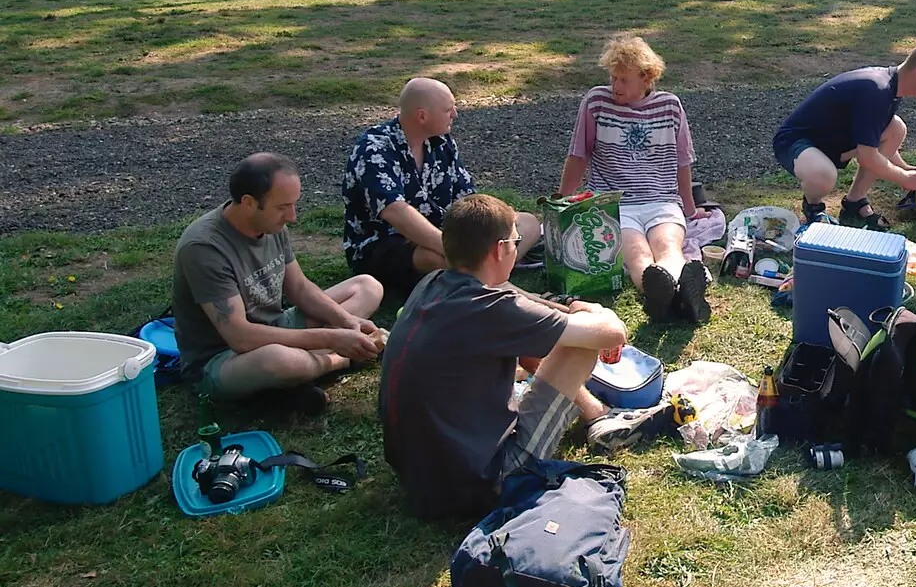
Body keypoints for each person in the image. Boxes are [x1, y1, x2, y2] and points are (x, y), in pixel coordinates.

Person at [379, 193, 671, 520]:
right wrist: (598, 310)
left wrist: (571, 307)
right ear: (500, 249)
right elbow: (611, 333)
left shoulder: (433, 283)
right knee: (578, 346)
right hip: (482, 485)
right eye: (517, 241)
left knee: (539, 338)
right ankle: (596, 420)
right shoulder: (492, 309)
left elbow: (520, 301)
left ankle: (597, 416)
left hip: (417, 478)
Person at [172, 153, 382, 411]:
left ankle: (299, 375)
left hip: (275, 326)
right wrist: (332, 337)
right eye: (282, 207)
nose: (292, 217)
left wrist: (347, 322)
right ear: (248, 202)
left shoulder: (271, 225)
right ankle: (338, 361)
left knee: (367, 286)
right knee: (280, 360)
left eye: (293, 205)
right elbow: (240, 337)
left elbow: (300, 288)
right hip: (224, 357)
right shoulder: (204, 248)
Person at [559, 35, 711, 323]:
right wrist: (561, 202)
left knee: (668, 246)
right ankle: (665, 295)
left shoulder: (670, 106)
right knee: (637, 252)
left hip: (661, 200)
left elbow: (682, 163)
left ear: (646, 77)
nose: (615, 87)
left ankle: (675, 294)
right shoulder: (596, 102)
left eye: (623, 80)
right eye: (612, 78)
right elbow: (578, 156)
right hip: (614, 202)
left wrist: (690, 210)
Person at [342, 77, 540, 298]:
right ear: (422, 116)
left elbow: (467, 198)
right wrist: (455, 251)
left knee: (527, 223)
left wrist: (498, 217)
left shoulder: (442, 142)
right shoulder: (374, 148)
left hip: (444, 233)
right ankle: (497, 281)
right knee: (438, 258)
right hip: (386, 244)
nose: (455, 114)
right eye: (448, 109)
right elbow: (396, 212)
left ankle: (484, 273)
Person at [773, 40, 916, 229]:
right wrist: (903, 177)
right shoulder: (878, 91)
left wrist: (904, 167)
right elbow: (868, 156)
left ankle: (854, 201)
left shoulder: (890, 87)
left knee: (895, 128)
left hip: (831, 141)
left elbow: (874, 138)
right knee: (824, 175)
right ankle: (813, 207)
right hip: (794, 142)